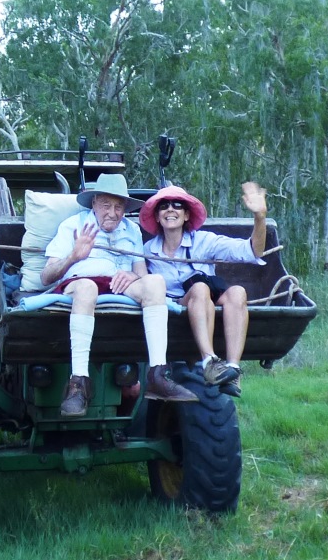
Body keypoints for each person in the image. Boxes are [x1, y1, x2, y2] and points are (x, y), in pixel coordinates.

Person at [41, 173, 199, 417]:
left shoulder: (131, 230)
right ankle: (78, 384)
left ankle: (158, 374)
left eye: (118, 207)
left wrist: (133, 277)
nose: (112, 213)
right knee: (87, 287)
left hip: (118, 284)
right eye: (106, 205)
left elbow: (140, 272)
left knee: (155, 282)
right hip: (80, 283)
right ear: (93, 203)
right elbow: (46, 276)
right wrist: (74, 256)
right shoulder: (72, 225)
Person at [139, 182, 268, 397]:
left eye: (177, 204)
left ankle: (233, 369)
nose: (170, 209)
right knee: (199, 288)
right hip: (176, 307)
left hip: (206, 302)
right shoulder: (147, 251)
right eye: (164, 206)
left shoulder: (205, 241)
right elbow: (139, 280)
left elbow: (252, 251)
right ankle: (209, 362)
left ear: (187, 215)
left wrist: (260, 217)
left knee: (237, 292)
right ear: (157, 216)